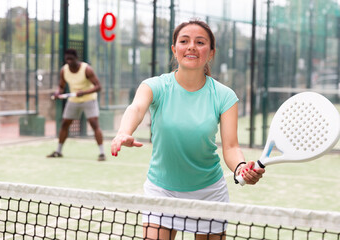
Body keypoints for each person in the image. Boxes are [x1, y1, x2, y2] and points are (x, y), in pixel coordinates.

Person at [110, 20, 265, 239]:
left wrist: (241, 167)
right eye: (184, 41)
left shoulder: (225, 96)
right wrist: (123, 132)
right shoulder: (155, 86)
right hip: (161, 190)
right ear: (175, 50)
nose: (191, 46)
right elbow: (135, 108)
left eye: (200, 42)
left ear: (211, 53)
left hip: (208, 193)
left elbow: (231, 146)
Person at [47, 48, 106, 161]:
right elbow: (61, 86)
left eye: (71, 59)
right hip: (73, 101)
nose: (69, 61)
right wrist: (58, 92)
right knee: (64, 124)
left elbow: (98, 86)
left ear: (76, 59)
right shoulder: (64, 70)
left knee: (94, 124)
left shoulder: (87, 69)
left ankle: (102, 153)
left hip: (89, 99)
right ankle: (58, 151)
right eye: (67, 59)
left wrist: (84, 92)